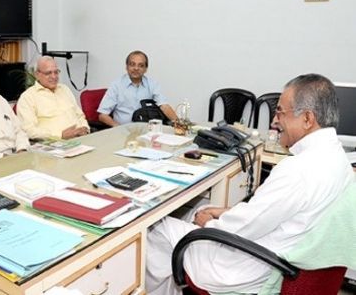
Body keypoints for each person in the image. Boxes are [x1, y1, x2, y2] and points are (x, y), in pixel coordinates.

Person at [145, 74, 354, 295]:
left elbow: (244, 227)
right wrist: (222, 212)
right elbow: (278, 212)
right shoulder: (339, 160)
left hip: (249, 268)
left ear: (307, 119)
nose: (274, 120)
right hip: (280, 253)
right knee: (199, 210)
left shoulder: (298, 170)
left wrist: (208, 225)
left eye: (280, 112)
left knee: (159, 229)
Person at [97, 50, 178, 127]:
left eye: (141, 65)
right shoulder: (116, 85)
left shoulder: (152, 84)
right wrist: (118, 127)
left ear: (146, 69)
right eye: (132, 64)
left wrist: (180, 124)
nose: (136, 68)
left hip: (147, 131)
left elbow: (164, 106)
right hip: (124, 131)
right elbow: (102, 115)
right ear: (126, 67)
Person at [16, 56, 89, 140]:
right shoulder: (28, 97)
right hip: (53, 144)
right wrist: (60, 135)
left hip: (81, 139)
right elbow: (29, 130)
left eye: (56, 72)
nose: (54, 77)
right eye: (48, 73)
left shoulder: (65, 89)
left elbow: (80, 116)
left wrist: (85, 129)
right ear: (37, 75)